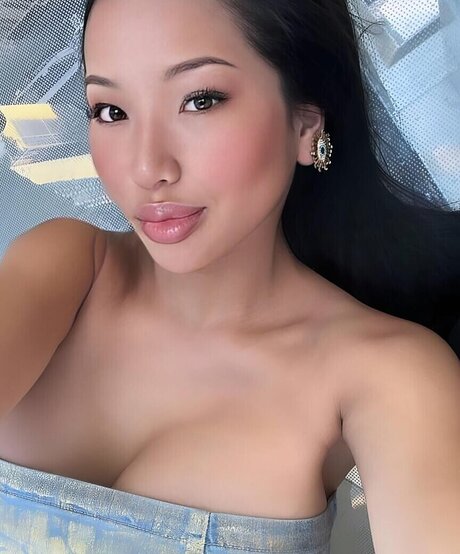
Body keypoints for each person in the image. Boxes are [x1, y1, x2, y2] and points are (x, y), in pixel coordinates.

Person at [0, 1, 459, 553]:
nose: (147, 168)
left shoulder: (389, 375)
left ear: (305, 123)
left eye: (200, 100)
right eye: (111, 111)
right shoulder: (67, 264)